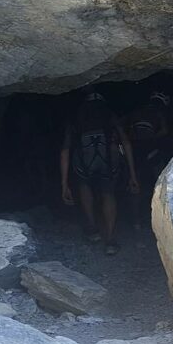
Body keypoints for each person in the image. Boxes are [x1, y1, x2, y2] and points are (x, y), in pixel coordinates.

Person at [60, 90, 139, 255]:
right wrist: (132, 174)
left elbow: (65, 150)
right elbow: (125, 142)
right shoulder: (110, 116)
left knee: (84, 187)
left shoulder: (76, 118)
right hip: (108, 159)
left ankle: (92, 228)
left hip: (83, 160)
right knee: (108, 193)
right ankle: (110, 239)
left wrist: (64, 183)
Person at [123, 91, 173, 229]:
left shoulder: (136, 112)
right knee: (160, 182)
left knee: (135, 183)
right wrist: (153, 138)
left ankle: (136, 221)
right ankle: (162, 219)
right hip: (151, 150)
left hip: (134, 150)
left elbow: (122, 127)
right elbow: (164, 130)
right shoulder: (159, 113)